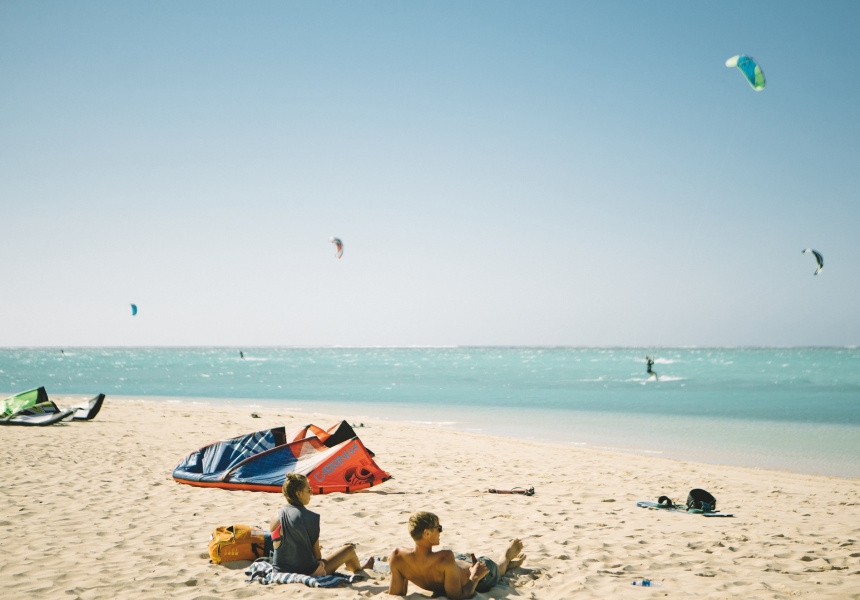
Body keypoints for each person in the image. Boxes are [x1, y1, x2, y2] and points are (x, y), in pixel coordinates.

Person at [387, 511, 525, 598]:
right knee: (498, 569)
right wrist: (475, 576)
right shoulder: (444, 557)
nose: (441, 532)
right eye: (438, 528)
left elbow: (396, 593)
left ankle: (508, 563)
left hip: (456, 563)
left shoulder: (397, 556)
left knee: (462, 560)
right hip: (475, 573)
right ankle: (506, 557)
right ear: (427, 533)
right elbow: (458, 597)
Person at [269, 473, 373, 576]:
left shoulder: (275, 517)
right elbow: (317, 557)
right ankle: (359, 569)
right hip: (307, 572)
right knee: (349, 549)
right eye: (308, 490)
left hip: (279, 571)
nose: (311, 493)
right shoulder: (310, 517)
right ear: (298, 494)